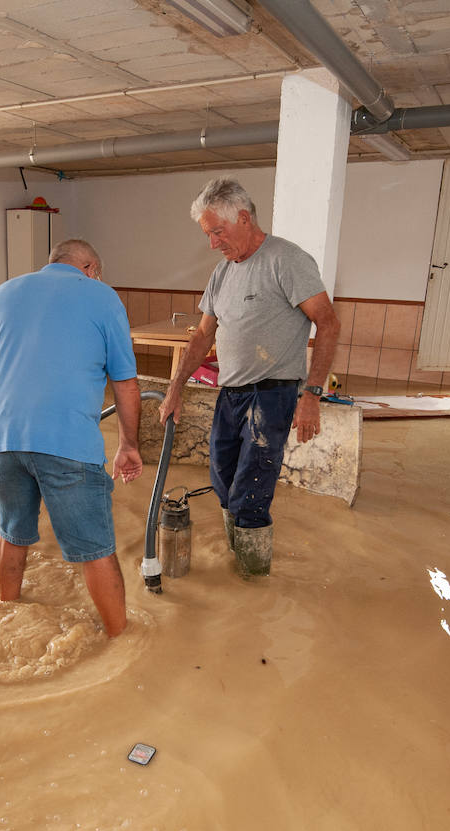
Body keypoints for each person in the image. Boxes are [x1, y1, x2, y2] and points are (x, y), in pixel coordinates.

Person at [158, 176, 341, 576]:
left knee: (250, 494)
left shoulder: (286, 260)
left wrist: (312, 395)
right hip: (231, 394)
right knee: (223, 482)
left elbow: (328, 323)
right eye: (208, 235)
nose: (213, 244)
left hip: (271, 395)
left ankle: (255, 585)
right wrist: (175, 389)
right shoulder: (223, 272)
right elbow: (202, 335)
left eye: (217, 232)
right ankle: (239, 567)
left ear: (243, 218)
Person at [0, 239, 142, 637]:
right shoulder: (102, 297)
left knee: (12, 531)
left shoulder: (3, 293)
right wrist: (129, 445)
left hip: (7, 440)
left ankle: (6, 616)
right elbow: (126, 383)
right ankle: (121, 639)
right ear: (91, 268)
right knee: (95, 549)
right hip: (69, 444)